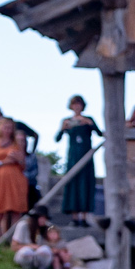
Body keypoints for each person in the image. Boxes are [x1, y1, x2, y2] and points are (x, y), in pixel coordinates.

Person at [54, 97, 99, 227]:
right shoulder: (67, 121)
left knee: (85, 184)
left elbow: (100, 133)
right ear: (71, 106)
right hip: (73, 157)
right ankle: (74, 217)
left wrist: (89, 123)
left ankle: (84, 217)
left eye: (79, 104)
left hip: (86, 156)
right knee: (73, 184)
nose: (77, 106)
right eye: (75, 104)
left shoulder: (88, 119)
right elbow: (57, 139)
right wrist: (63, 128)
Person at [0, 117, 27, 242]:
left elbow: (23, 165)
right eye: (5, 127)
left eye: (10, 128)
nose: (8, 130)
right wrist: (3, 161)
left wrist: (19, 158)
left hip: (16, 180)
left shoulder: (17, 143)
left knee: (16, 212)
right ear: (0, 127)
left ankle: (14, 242)